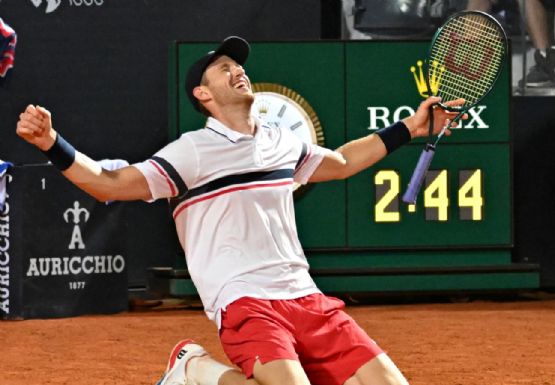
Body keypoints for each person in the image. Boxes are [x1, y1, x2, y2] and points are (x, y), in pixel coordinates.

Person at [16, 36, 467, 385]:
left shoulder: (281, 141)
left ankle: (197, 372)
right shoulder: (192, 151)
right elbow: (107, 184)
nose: (238, 72)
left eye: (239, 66)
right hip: (245, 301)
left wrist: (413, 125)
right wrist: (52, 145)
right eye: (224, 68)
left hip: (307, 297)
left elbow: (345, 161)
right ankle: (196, 370)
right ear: (202, 94)